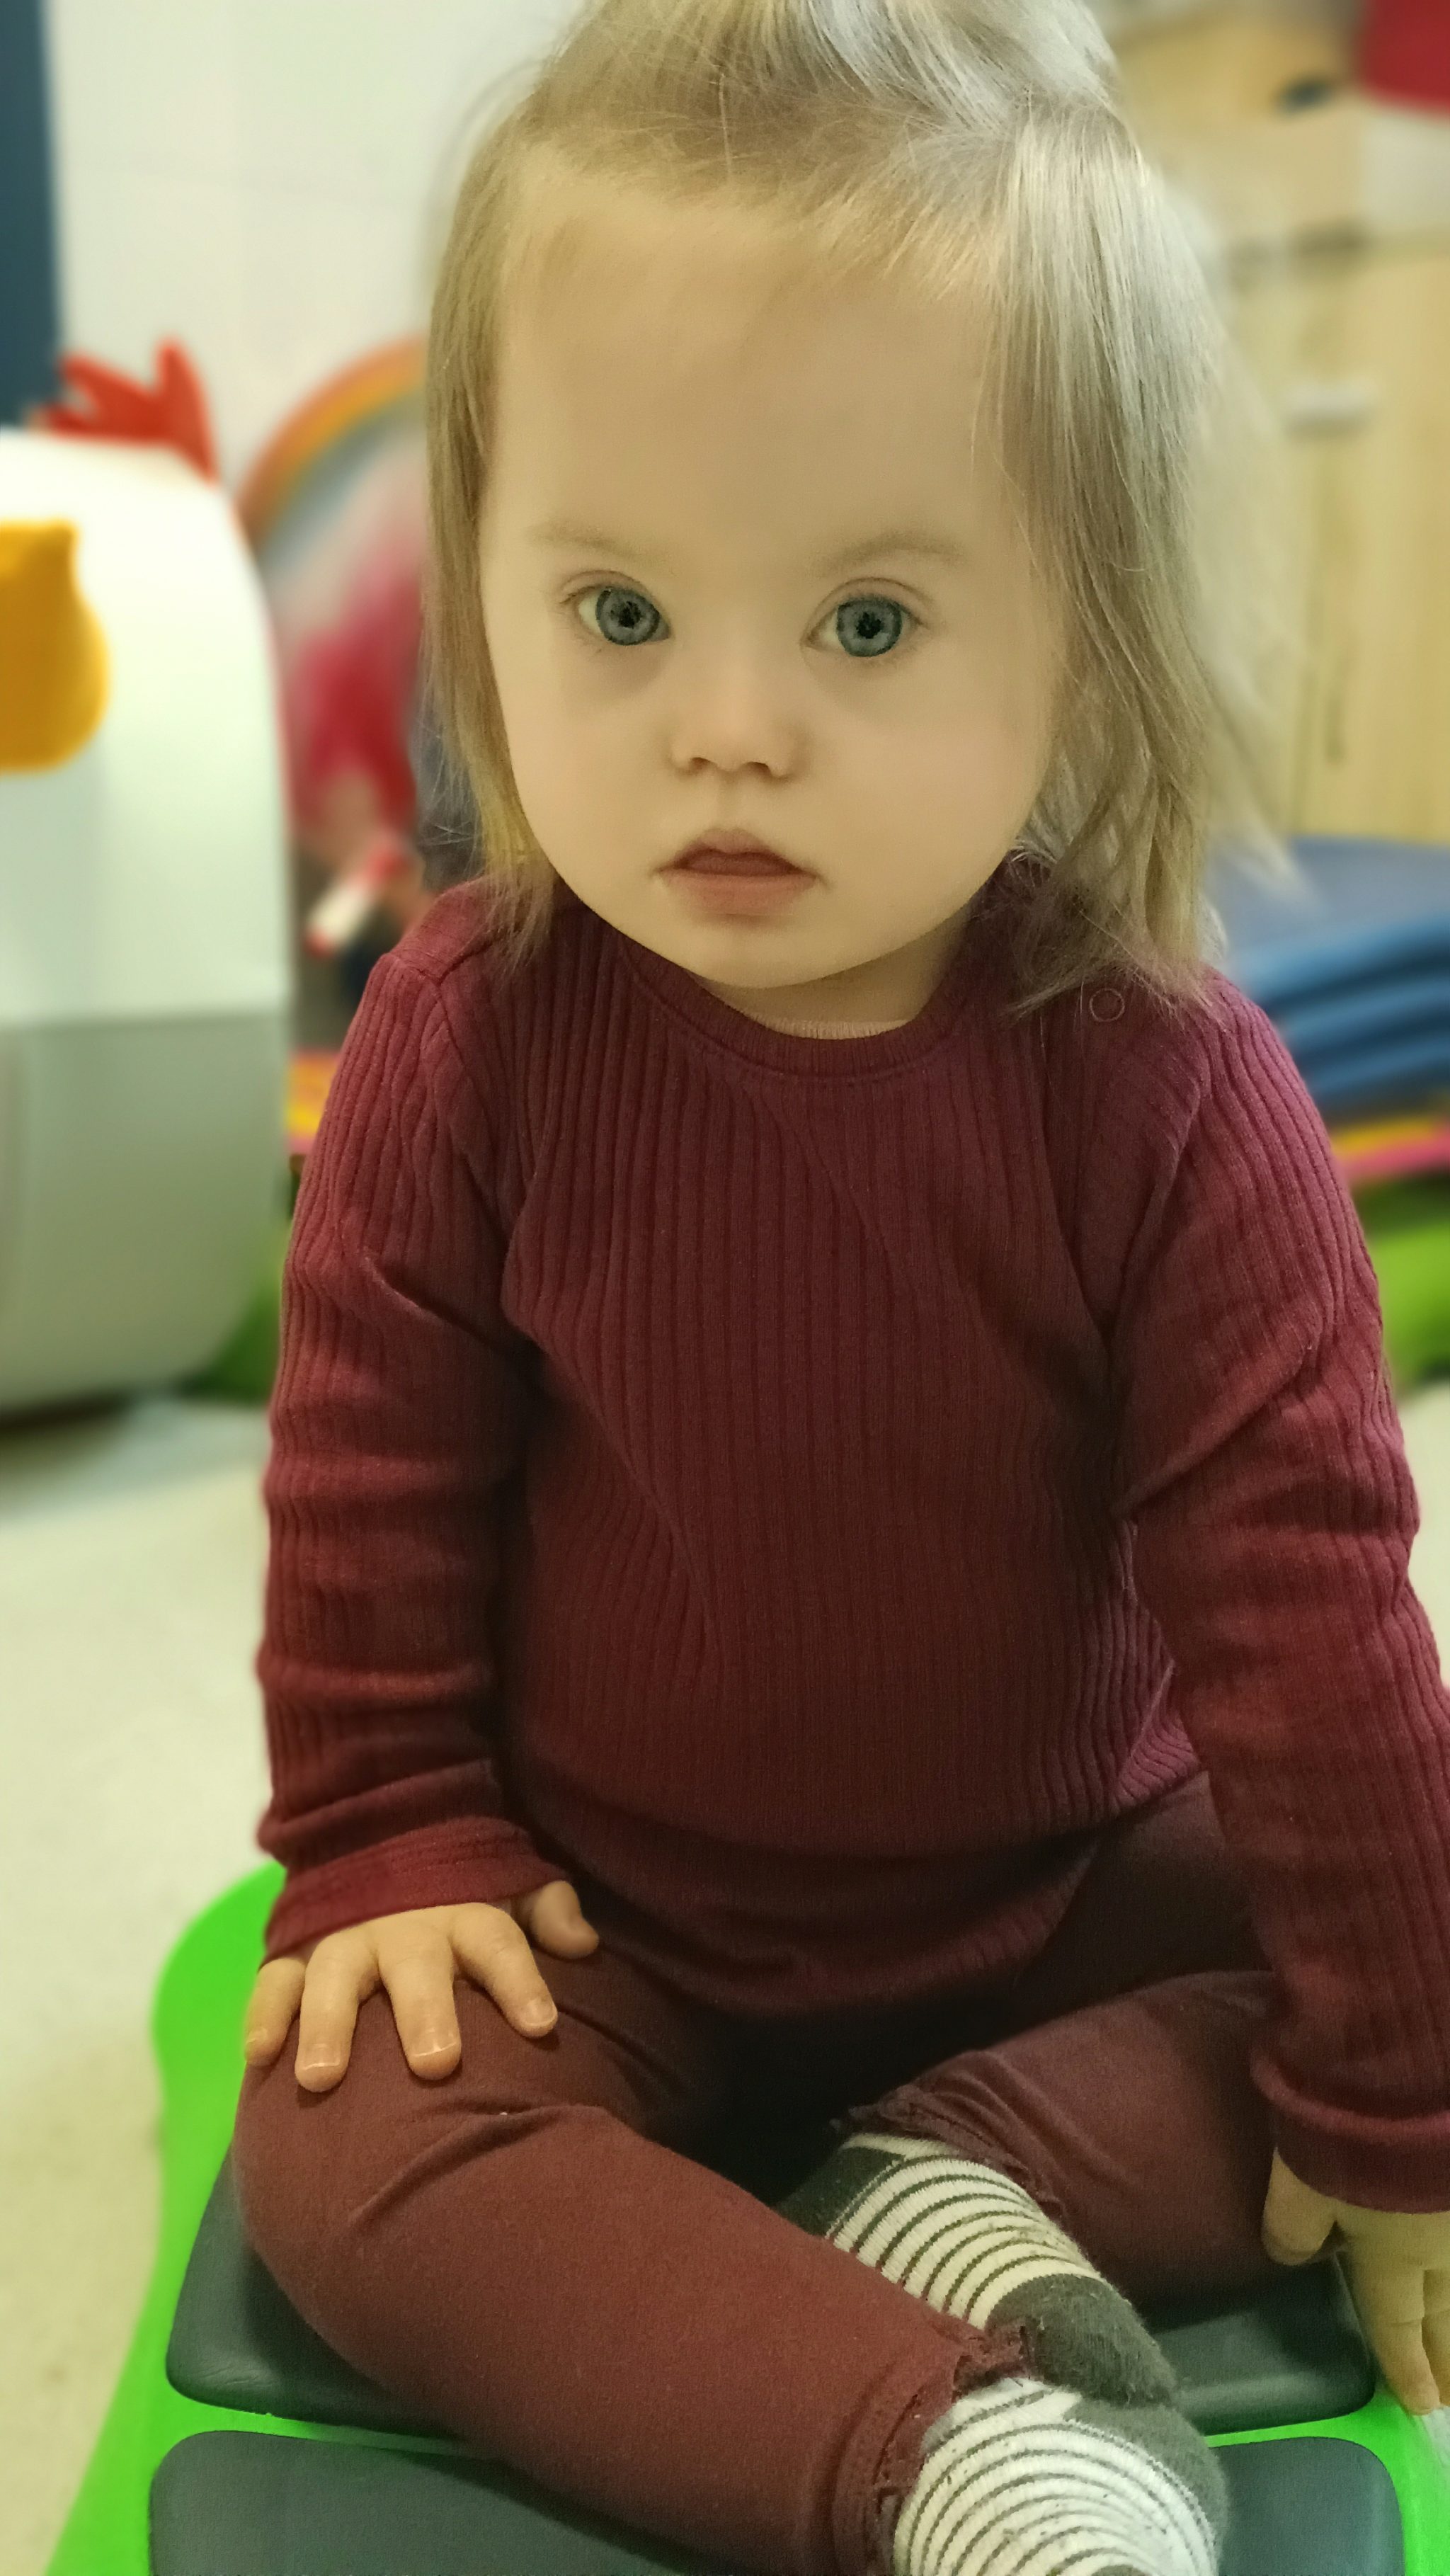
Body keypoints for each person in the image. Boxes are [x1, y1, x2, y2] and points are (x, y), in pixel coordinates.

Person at [232, 4, 1450, 2571]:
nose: (728, 732)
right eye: (618, 609)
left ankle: (946, 2186)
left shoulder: (1166, 1088)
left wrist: (1393, 2113)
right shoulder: (470, 1035)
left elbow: (1309, 1620)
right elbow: (366, 1484)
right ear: (485, 582)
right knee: (350, 2146)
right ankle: (940, 2456)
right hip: (609, 1919)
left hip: (1074, 1908)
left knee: (1415, 1934)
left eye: (870, 626)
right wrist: (390, 1831)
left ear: (1091, 639)